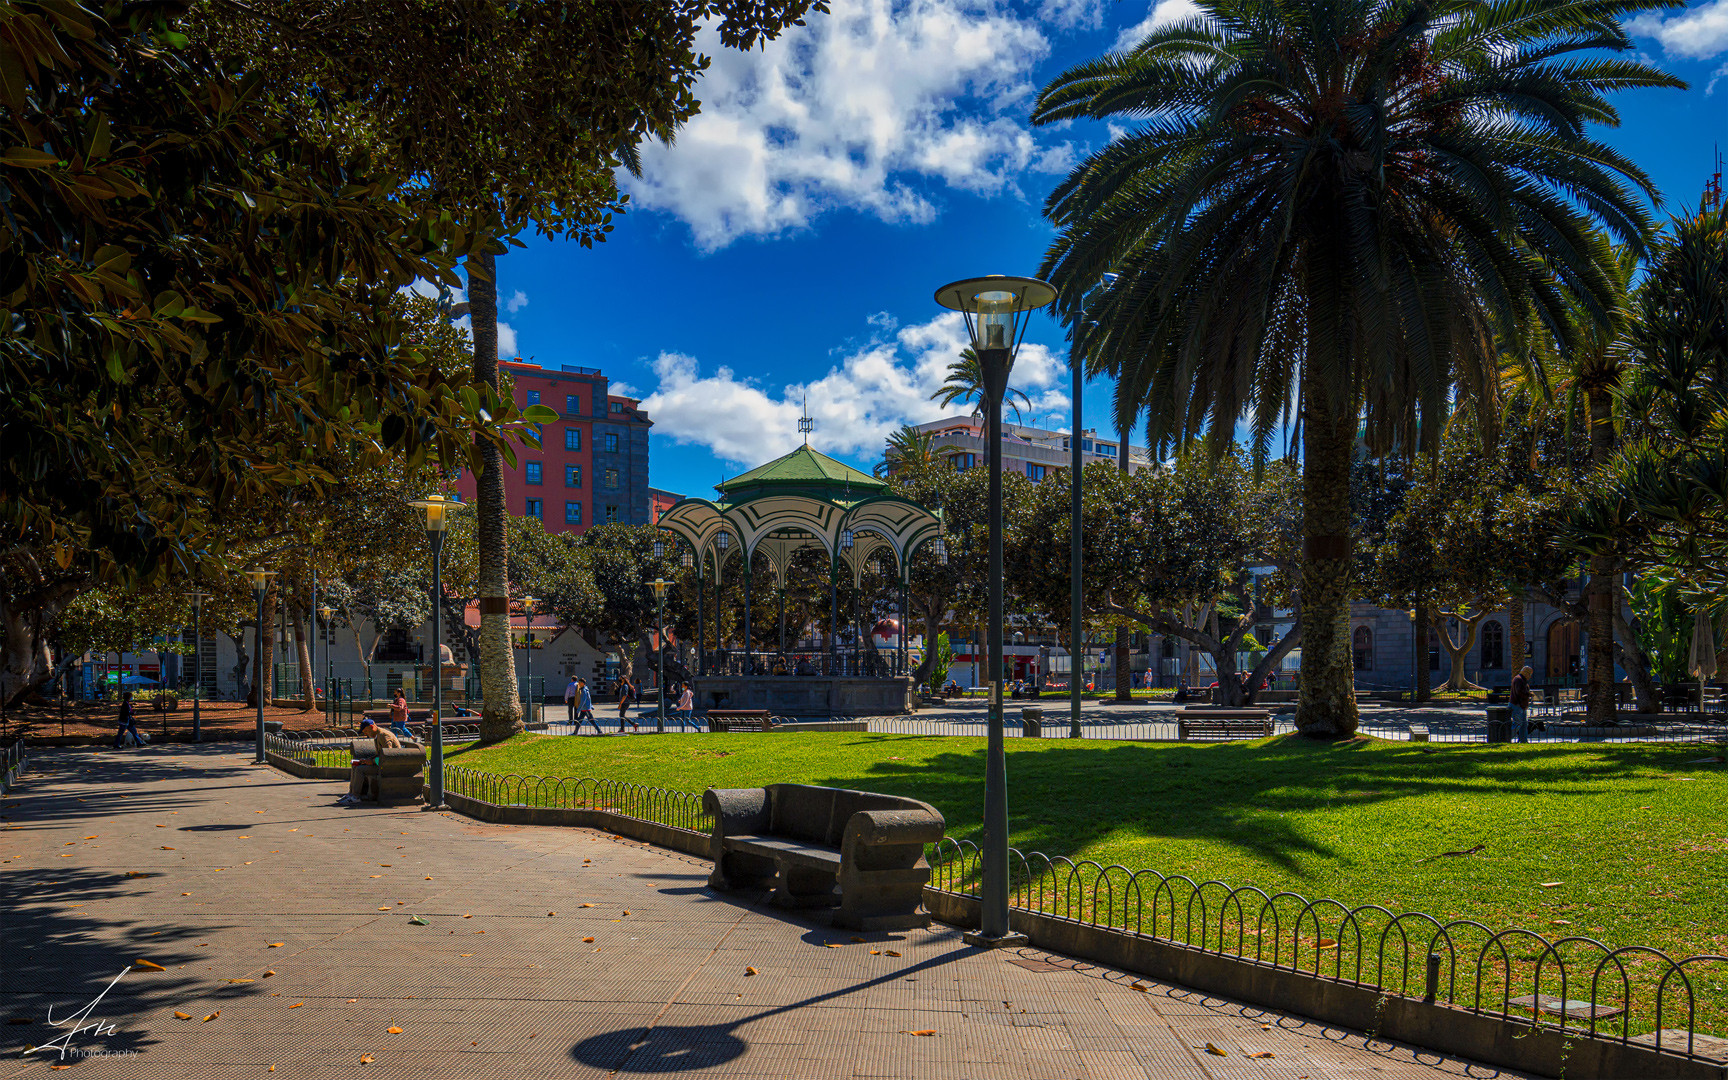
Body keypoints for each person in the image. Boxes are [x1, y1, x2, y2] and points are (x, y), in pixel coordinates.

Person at [338, 719, 402, 805]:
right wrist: (367, 760)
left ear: (372, 727)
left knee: (360, 770)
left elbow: (388, 755)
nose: (365, 734)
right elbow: (380, 754)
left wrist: (371, 762)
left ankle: (355, 797)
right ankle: (351, 794)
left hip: (389, 767)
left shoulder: (384, 735)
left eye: (366, 731)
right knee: (355, 766)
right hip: (383, 764)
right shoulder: (378, 735)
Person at [1509, 664, 1533, 743]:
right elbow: (1519, 692)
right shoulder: (1519, 679)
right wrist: (1528, 694)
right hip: (1517, 705)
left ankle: (1523, 740)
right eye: (1529, 674)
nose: (1530, 676)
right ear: (1525, 672)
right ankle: (1507, 737)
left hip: (1522, 705)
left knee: (1523, 724)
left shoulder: (1522, 679)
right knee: (1517, 723)